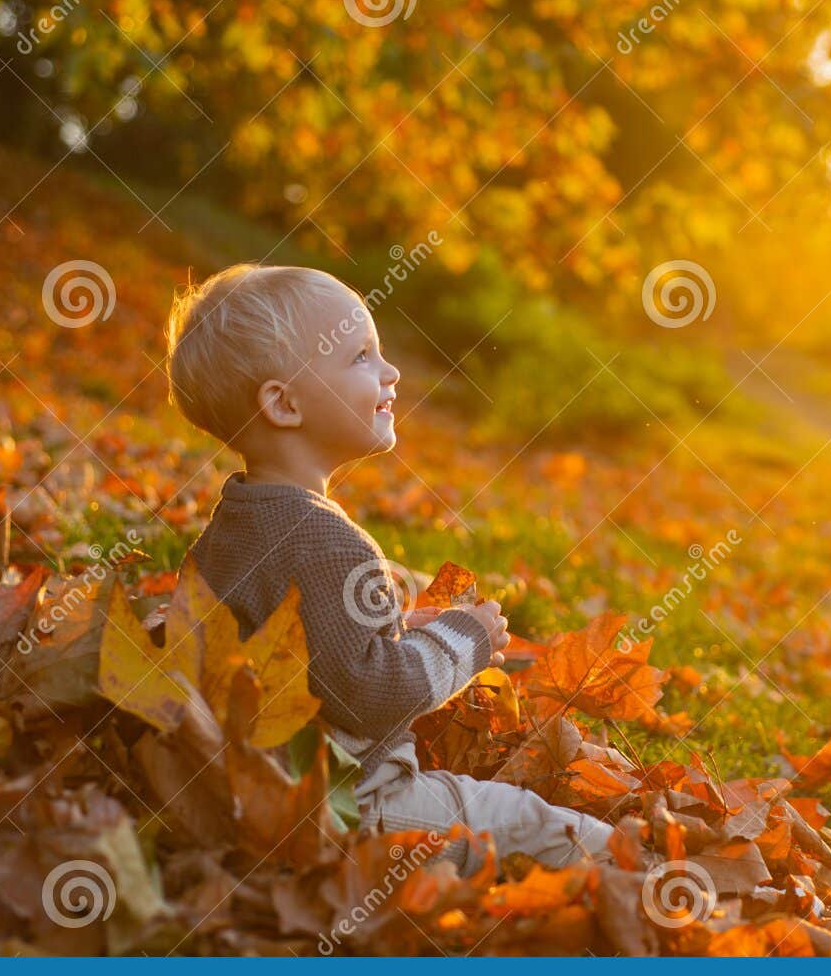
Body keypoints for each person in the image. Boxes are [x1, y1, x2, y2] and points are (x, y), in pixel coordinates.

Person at [165, 264, 616, 873]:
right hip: (352, 805)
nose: (392, 372)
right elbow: (369, 696)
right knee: (530, 824)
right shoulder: (326, 541)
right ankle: (647, 881)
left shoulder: (233, 525)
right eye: (361, 357)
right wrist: (465, 639)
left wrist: (397, 628)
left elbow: (310, 648)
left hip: (257, 790)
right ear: (284, 403)